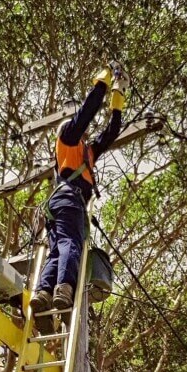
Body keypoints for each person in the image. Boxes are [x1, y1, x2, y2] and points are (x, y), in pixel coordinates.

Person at [30, 62, 129, 333]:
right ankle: (63, 288)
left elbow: (110, 133)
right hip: (68, 200)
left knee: (56, 251)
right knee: (70, 244)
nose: (84, 132)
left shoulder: (86, 153)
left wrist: (118, 95)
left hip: (62, 204)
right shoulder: (68, 140)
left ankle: (43, 294)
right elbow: (86, 113)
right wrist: (104, 80)